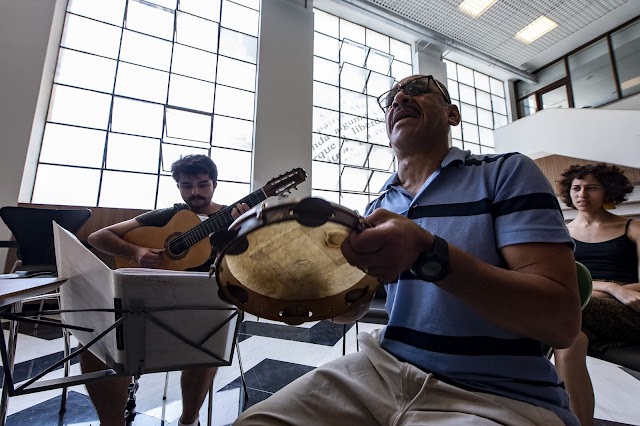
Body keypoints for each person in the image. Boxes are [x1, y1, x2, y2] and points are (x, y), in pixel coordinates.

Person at [234, 74, 581, 425]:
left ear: (452, 115)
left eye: (416, 90)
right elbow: (353, 311)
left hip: (497, 393)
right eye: (391, 98)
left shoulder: (506, 172)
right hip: (382, 368)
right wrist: (316, 289)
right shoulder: (379, 207)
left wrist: (429, 253)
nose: (399, 98)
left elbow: (561, 322)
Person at [84, 154, 249, 426]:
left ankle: (188, 420)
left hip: (203, 307)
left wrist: (242, 230)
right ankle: (112, 421)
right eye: (187, 185)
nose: (194, 192)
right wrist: (136, 251)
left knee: (210, 344)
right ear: (178, 187)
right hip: (149, 301)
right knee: (95, 343)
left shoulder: (233, 217)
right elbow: (98, 236)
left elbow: (248, 264)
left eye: (202, 184)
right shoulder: (169, 215)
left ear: (215, 184)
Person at [554, 163, 640, 426]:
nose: (582, 194)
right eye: (576, 188)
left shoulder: (632, 227)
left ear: (608, 191)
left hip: (628, 310)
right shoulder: (561, 231)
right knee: (568, 343)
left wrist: (612, 291)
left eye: (592, 188)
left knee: (560, 308)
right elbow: (562, 279)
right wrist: (610, 287)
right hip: (584, 307)